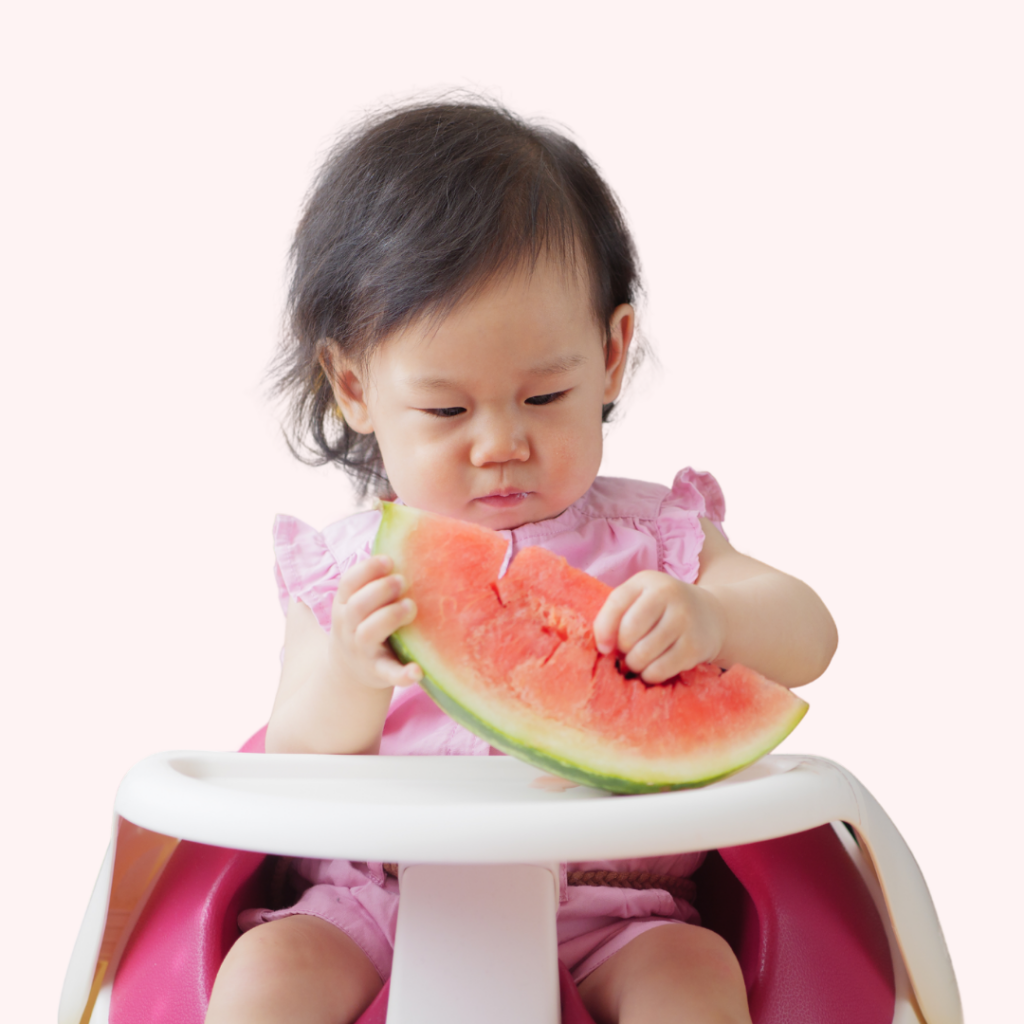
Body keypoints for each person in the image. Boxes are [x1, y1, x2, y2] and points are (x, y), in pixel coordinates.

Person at [205, 99, 838, 1024]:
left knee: (693, 979)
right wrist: (352, 671)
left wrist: (717, 618)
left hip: (615, 902)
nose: (500, 442)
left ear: (613, 358)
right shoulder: (345, 574)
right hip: (374, 899)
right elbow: (294, 754)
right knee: (268, 974)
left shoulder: (659, 538)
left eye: (544, 394)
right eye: (448, 412)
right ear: (355, 388)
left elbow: (811, 636)